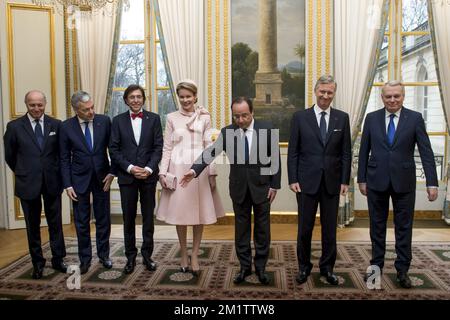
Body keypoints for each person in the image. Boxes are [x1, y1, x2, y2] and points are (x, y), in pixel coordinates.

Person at [180, 97, 281, 285]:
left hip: (262, 188)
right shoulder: (227, 132)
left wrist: (274, 185)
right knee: (241, 230)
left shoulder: (267, 128)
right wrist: (194, 170)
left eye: (245, 115)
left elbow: (274, 158)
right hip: (239, 188)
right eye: (236, 116)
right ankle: (244, 268)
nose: (241, 120)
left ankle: (260, 268)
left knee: (262, 231)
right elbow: (210, 153)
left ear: (252, 112)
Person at [358, 80, 438, 289]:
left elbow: (426, 152)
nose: (392, 100)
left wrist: (432, 182)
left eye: (396, 96)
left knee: (404, 228)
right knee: (377, 227)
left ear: (403, 96)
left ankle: (402, 271)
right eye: (388, 96)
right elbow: (364, 150)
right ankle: (375, 269)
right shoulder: (371, 118)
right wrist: (361, 179)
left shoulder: (415, 119)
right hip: (376, 181)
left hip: (404, 182)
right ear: (382, 97)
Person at [287, 75, 351, 286]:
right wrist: (293, 178)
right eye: (322, 91)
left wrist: (345, 181)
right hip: (305, 182)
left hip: (332, 183)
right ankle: (304, 267)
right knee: (304, 228)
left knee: (329, 229)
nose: (325, 95)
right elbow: (293, 151)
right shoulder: (300, 117)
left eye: (329, 92)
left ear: (333, 94)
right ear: (315, 91)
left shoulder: (342, 118)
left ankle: (327, 268)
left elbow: (345, 153)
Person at [156, 80, 225, 275]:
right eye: (182, 96)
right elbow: (167, 147)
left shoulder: (204, 117)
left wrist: (212, 173)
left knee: (198, 214)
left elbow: (209, 148)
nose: (185, 100)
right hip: (177, 169)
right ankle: (184, 253)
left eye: (189, 96)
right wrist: (162, 172)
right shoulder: (170, 117)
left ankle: (195, 253)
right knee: (181, 214)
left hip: (199, 170)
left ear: (195, 96)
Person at [3, 90, 67, 279]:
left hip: (52, 182)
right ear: (26, 104)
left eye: (40, 104)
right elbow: (10, 156)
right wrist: (24, 170)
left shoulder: (56, 124)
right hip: (27, 182)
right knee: (33, 225)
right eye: (32, 105)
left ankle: (58, 259)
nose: (36, 108)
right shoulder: (14, 127)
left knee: (55, 223)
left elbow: (60, 153)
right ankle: (38, 263)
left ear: (45, 104)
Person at [59, 91, 116, 274]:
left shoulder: (104, 121)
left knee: (103, 219)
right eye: (86, 110)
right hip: (78, 181)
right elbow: (63, 158)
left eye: (92, 107)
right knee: (82, 221)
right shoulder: (66, 127)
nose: (91, 112)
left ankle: (104, 255)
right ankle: (85, 259)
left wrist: (112, 172)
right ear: (76, 110)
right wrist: (67, 185)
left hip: (102, 178)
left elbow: (114, 149)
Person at [109, 84, 163, 274]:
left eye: (139, 96)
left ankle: (147, 256)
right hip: (127, 177)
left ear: (143, 99)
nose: (135, 100)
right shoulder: (117, 121)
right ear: (126, 100)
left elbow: (158, 147)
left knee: (148, 219)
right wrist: (131, 168)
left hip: (148, 178)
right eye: (131, 97)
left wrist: (148, 169)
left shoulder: (154, 119)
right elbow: (113, 149)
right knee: (128, 219)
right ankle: (130, 258)